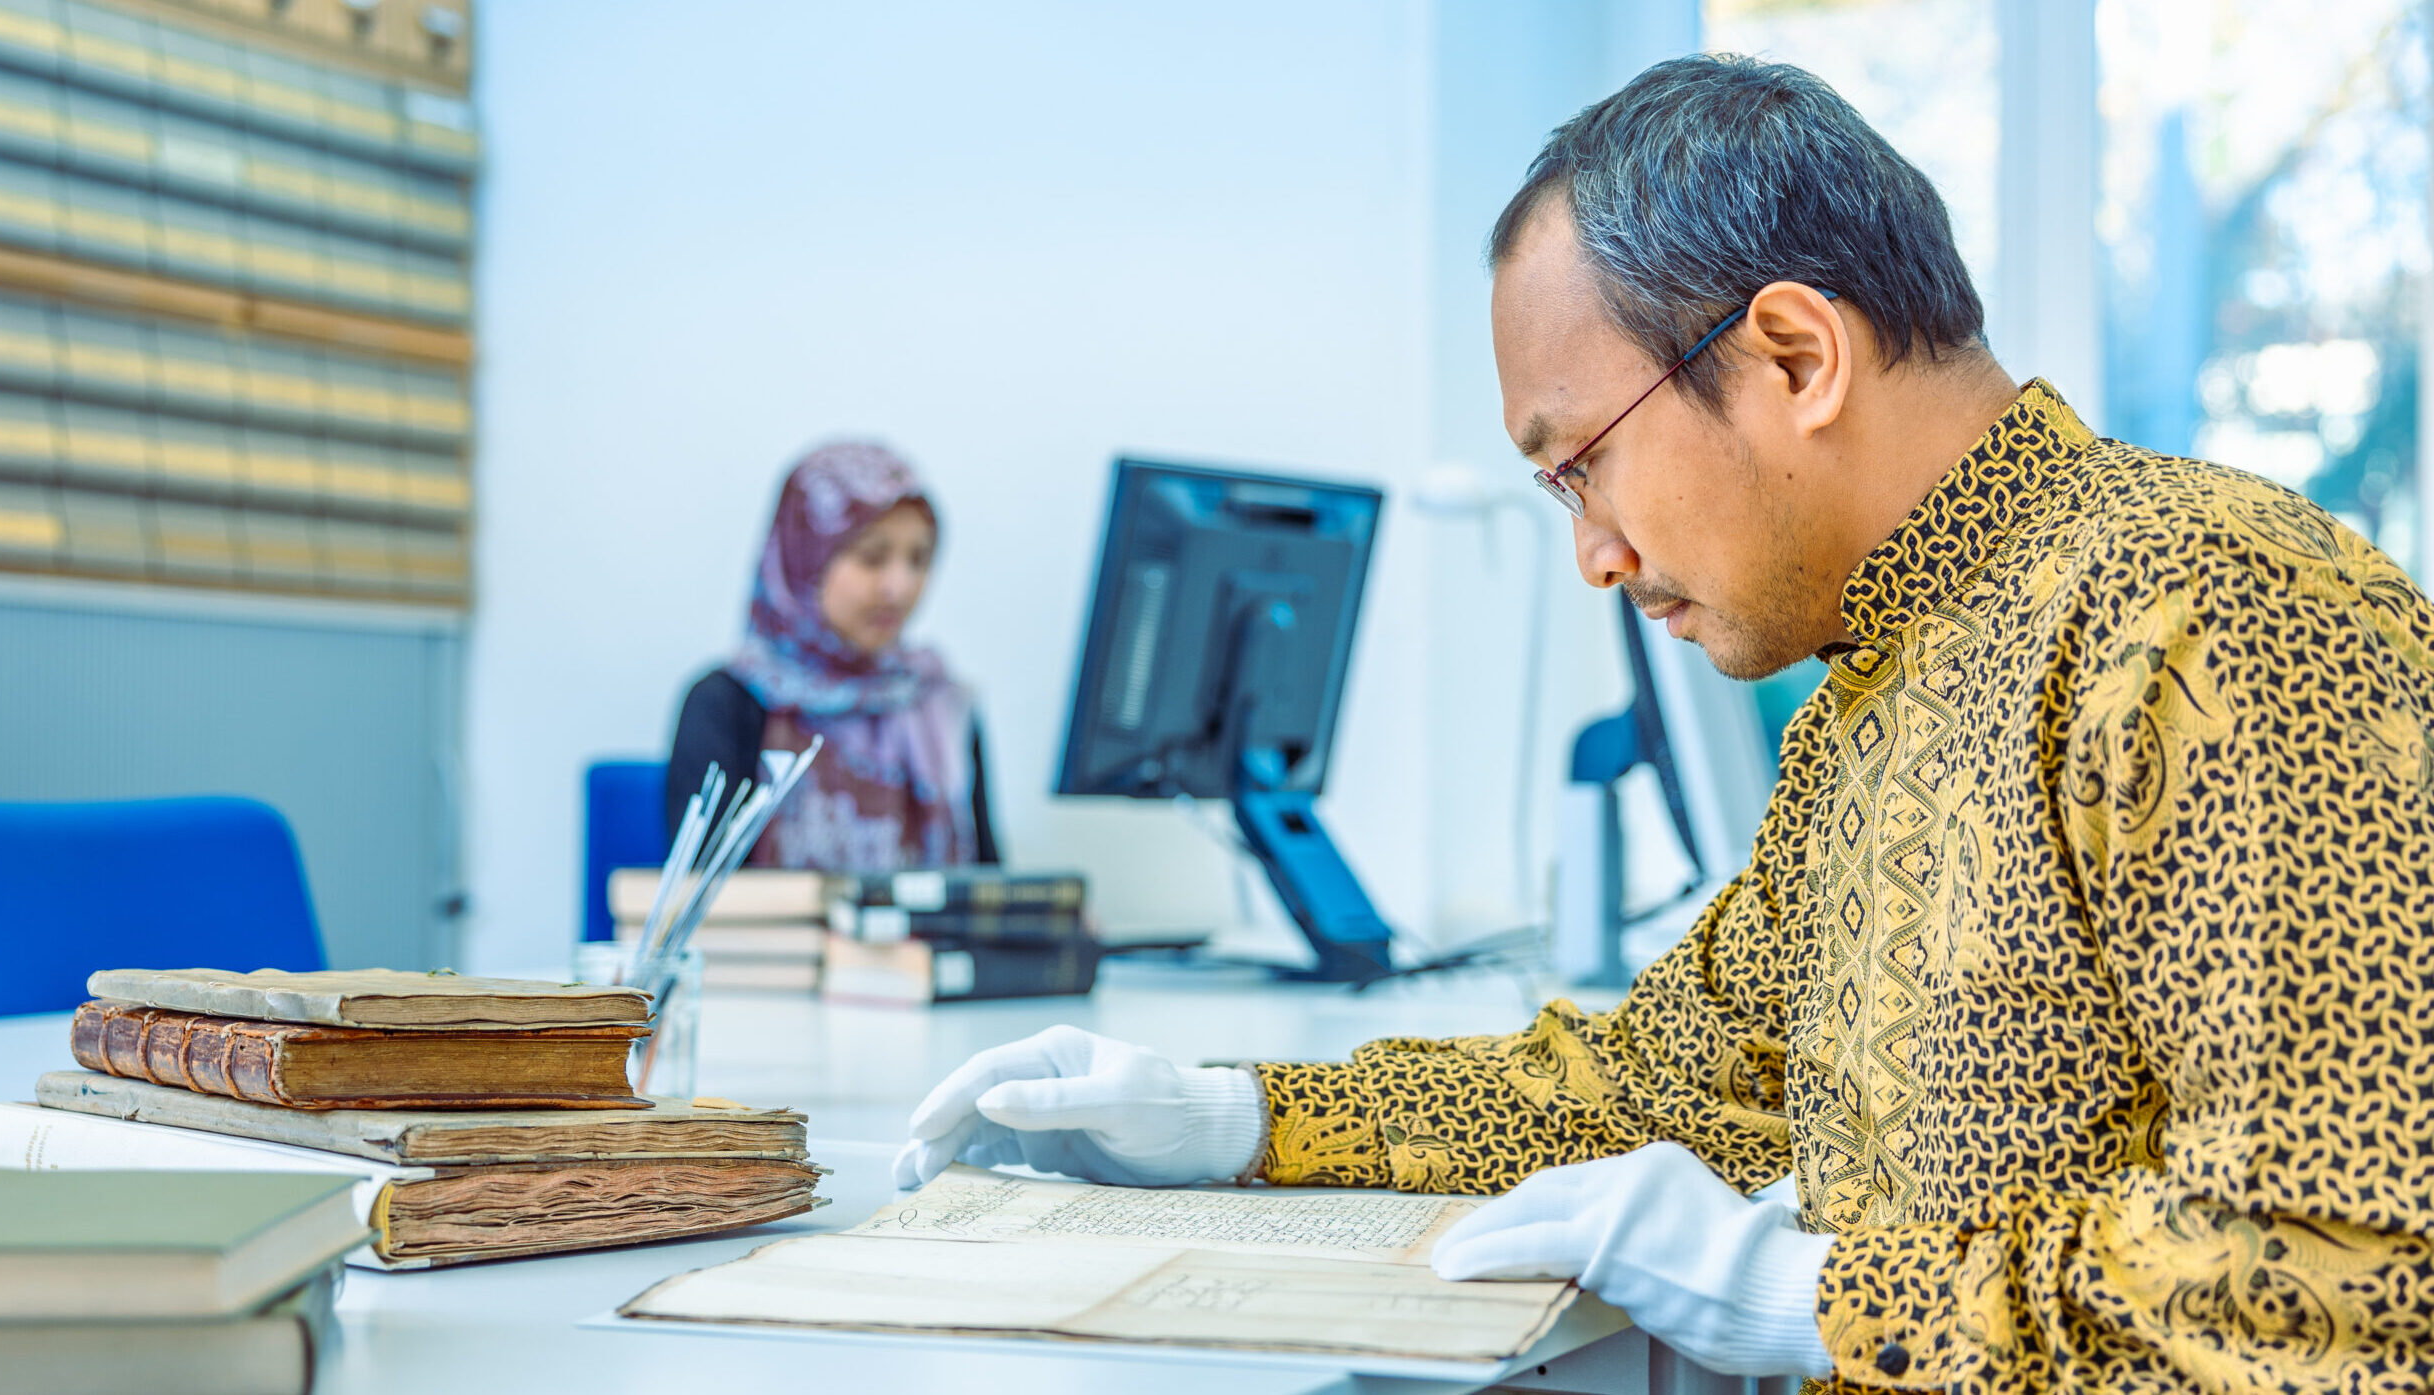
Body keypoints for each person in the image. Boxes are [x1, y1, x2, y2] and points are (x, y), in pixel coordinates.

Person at [894, 55, 2434, 1391]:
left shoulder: (2214, 616)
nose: (1595, 553)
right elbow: (1660, 1082)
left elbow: (2367, 1264)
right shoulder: (1874, 683)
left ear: (1792, 356)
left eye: (1582, 465)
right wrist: (1243, 1116)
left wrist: (1822, 1298)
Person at [666, 441, 999, 870]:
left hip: (926, 942)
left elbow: (990, 888)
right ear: (804, 557)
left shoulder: (940, 702)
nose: (898, 587)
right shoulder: (729, 704)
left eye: (918, 559)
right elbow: (700, 903)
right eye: (872, 558)